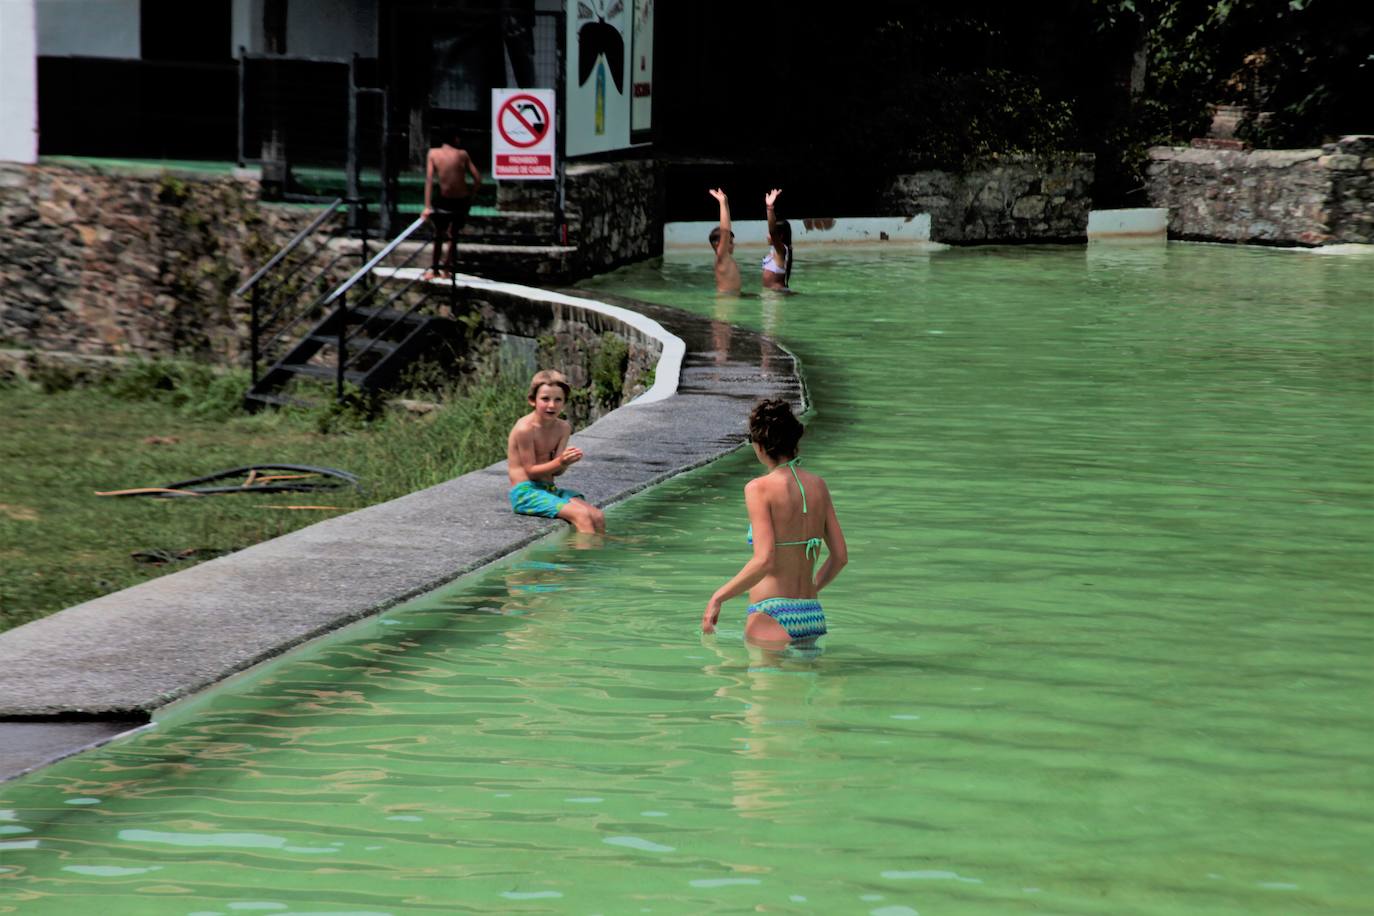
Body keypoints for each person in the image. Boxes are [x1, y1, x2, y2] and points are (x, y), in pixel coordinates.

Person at [702, 399, 847, 645]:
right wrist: (810, 588)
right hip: (811, 614)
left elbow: (764, 560)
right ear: (794, 441)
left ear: (759, 446)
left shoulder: (759, 488)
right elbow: (840, 557)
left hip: (771, 614)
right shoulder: (819, 486)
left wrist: (718, 597)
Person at [507, 369, 606, 534]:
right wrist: (561, 461)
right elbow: (531, 471)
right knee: (581, 515)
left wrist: (566, 462)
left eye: (558, 400)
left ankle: (597, 553)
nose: (551, 405)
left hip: (548, 489)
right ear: (533, 400)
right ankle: (585, 559)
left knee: (596, 515)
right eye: (545, 399)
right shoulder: (525, 429)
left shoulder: (563, 428)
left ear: (564, 402)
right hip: (526, 493)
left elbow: (557, 472)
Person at [422, 129, 483, 280]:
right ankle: (447, 269)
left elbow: (429, 179)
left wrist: (427, 205)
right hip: (461, 199)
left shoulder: (433, 153)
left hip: (444, 198)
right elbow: (477, 179)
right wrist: (471, 195)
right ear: (456, 139)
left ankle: (435, 269)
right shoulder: (462, 154)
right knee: (453, 235)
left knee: (438, 234)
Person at [708, 188, 741, 294]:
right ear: (718, 244)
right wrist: (722, 203)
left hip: (731, 298)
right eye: (729, 242)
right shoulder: (722, 256)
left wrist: (726, 203)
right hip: (726, 302)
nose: (733, 245)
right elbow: (725, 231)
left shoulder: (725, 259)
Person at [762, 188, 793, 291]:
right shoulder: (774, 251)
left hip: (777, 296)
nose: (767, 236)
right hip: (771, 295)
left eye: (769, 234)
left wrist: (769, 208)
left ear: (780, 237)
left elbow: (772, 231)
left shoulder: (781, 251)